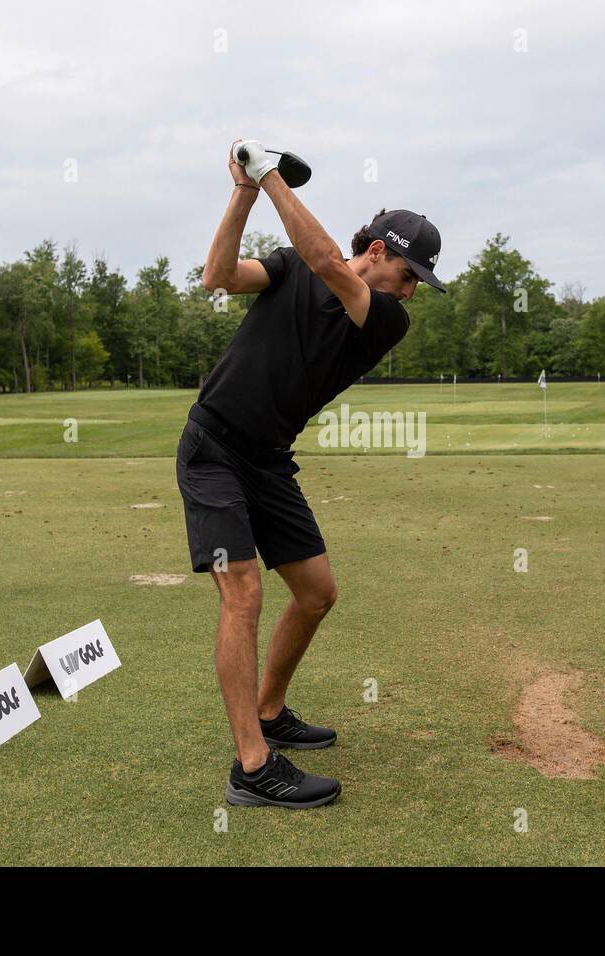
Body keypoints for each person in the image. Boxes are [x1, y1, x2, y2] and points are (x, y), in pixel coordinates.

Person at [175, 139, 446, 808]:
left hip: (268, 460)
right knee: (242, 594)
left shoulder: (384, 318)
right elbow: (218, 276)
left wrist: (268, 176)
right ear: (378, 251)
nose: (413, 290)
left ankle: (269, 711)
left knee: (317, 592)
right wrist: (244, 190)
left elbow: (327, 261)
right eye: (410, 272)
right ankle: (252, 765)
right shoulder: (291, 266)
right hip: (212, 448)